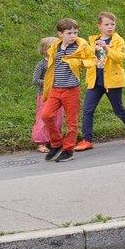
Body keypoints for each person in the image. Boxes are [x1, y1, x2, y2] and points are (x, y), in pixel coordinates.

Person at [77, 12, 125, 150]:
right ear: (99, 26)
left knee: (118, 109)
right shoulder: (93, 40)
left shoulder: (118, 41)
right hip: (95, 80)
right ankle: (87, 140)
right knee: (87, 109)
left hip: (113, 80)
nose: (110, 27)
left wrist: (106, 48)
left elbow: (119, 58)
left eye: (112, 24)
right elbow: (89, 57)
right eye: (106, 24)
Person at [34, 19, 88, 162]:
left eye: (75, 32)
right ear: (60, 34)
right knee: (46, 116)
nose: (73, 36)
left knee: (71, 122)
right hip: (55, 89)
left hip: (71, 90)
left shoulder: (79, 46)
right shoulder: (55, 48)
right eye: (69, 33)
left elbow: (91, 59)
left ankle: (68, 150)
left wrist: (79, 62)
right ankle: (57, 144)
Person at [31, 36, 57, 153]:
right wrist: (48, 83)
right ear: (45, 49)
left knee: (57, 118)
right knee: (43, 118)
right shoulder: (41, 64)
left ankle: (54, 140)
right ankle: (41, 142)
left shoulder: (59, 62)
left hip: (58, 95)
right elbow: (35, 80)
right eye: (52, 47)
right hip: (44, 96)